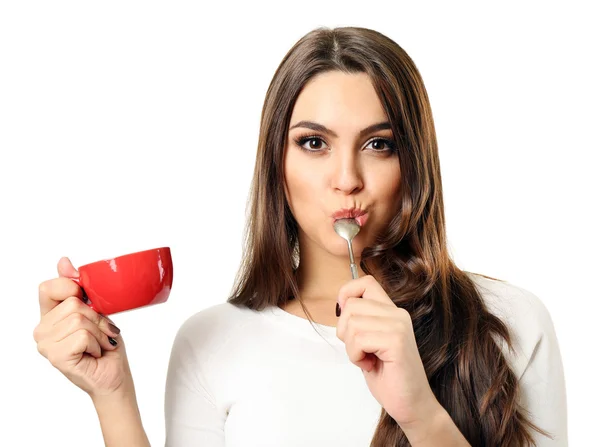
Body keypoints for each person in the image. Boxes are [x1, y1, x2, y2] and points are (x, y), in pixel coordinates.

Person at [33, 26, 568, 446]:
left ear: (414, 164)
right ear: (277, 164)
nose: (347, 179)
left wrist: (420, 412)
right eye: (314, 143)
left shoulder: (511, 322)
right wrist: (113, 397)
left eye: (379, 144)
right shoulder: (211, 341)